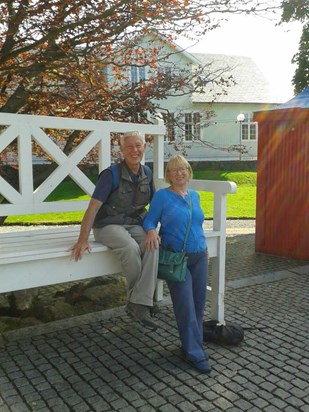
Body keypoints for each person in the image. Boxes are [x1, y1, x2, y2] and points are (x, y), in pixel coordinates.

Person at [70, 131, 160, 331]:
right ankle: (141, 302)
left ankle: (139, 302)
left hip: (134, 223)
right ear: (121, 150)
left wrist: (152, 230)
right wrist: (83, 239)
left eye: (138, 145)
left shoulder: (147, 172)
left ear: (144, 147)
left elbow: (155, 206)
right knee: (129, 247)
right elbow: (92, 208)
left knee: (152, 245)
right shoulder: (111, 174)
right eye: (129, 147)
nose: (134, 150)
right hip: (107, 225)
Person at [143, 155, 211, 373]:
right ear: (168, 175)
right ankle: (194, 354)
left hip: (200, 255)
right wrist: (152, 231)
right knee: (185, 306)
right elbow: (149, 220)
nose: (178, 173)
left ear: (188, 172)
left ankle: (192, 346)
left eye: (182, 169)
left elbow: (197, 222)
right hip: (177, 259)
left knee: (199, 304)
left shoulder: (194, 196)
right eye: (173, 170)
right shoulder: (162, 196)